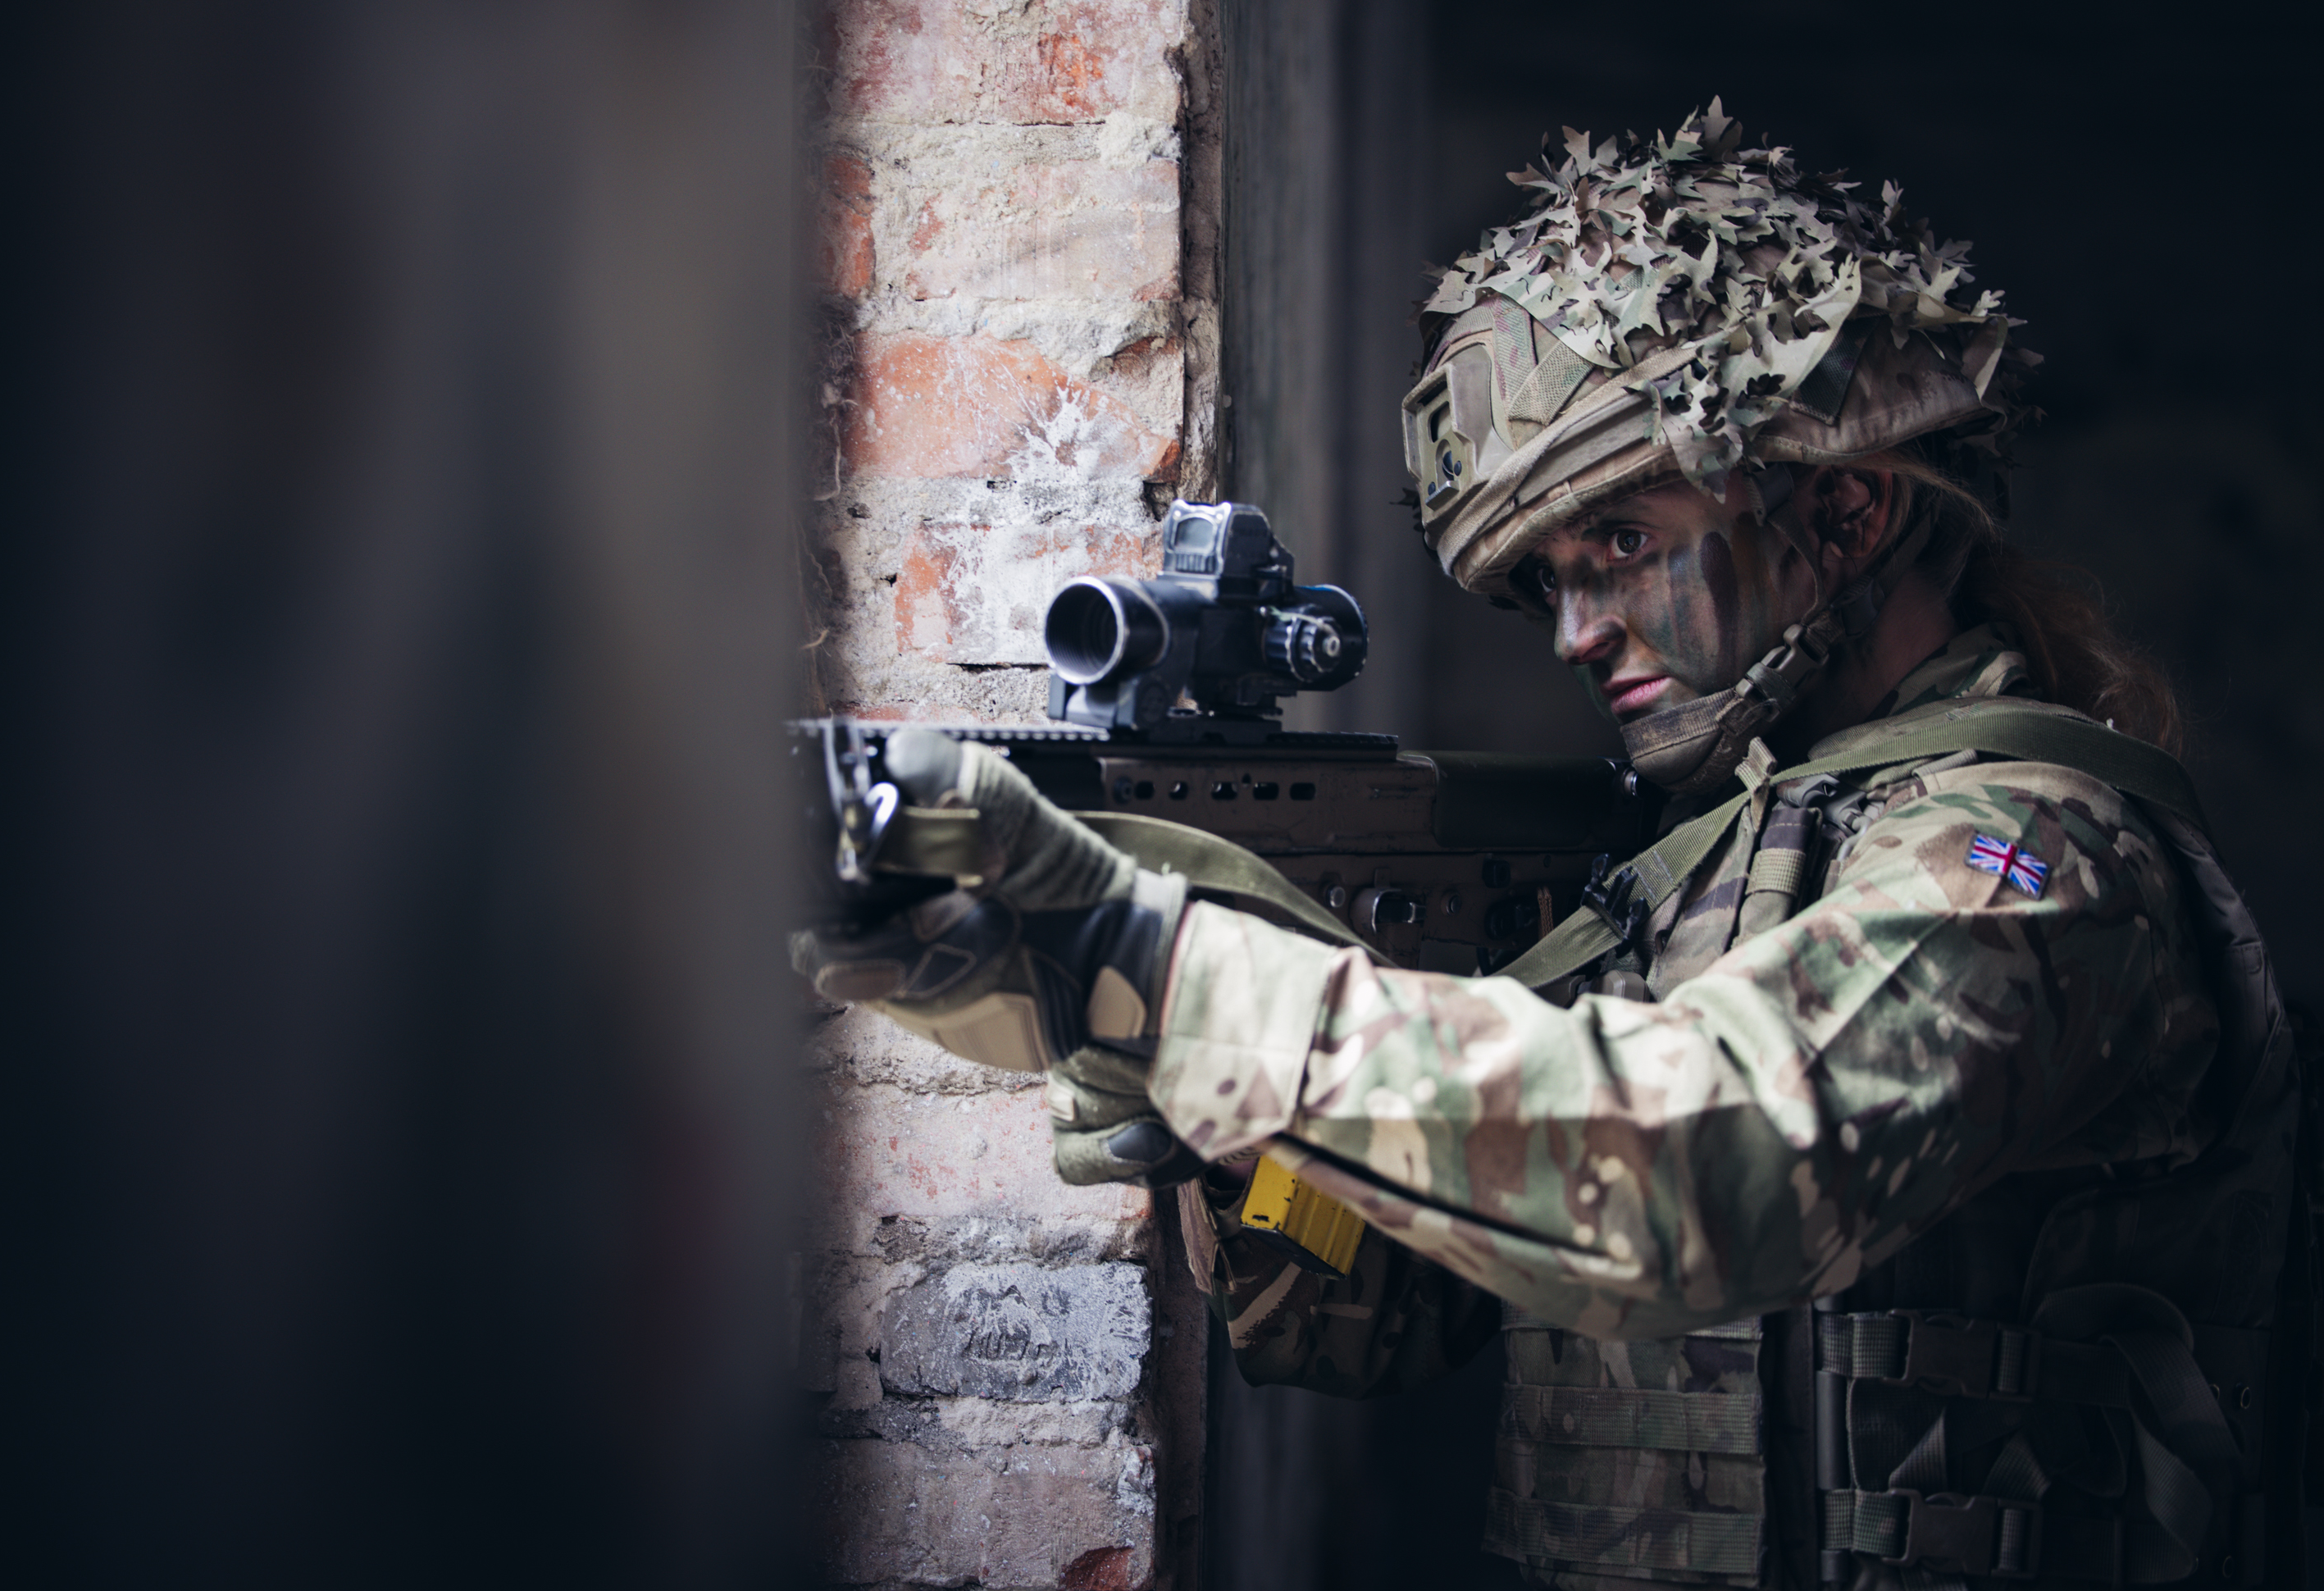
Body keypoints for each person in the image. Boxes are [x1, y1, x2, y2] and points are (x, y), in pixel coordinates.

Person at [796, 103, 2311, 1588]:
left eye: (1625, 549)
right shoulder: (1686, 866)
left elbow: (1710, 1166)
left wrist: (1172, 973)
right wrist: (1237, 1136)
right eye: (1548, 585)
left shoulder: (2039, 859)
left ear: (1842, 513)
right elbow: (1372, 1320)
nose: (1577, 633)